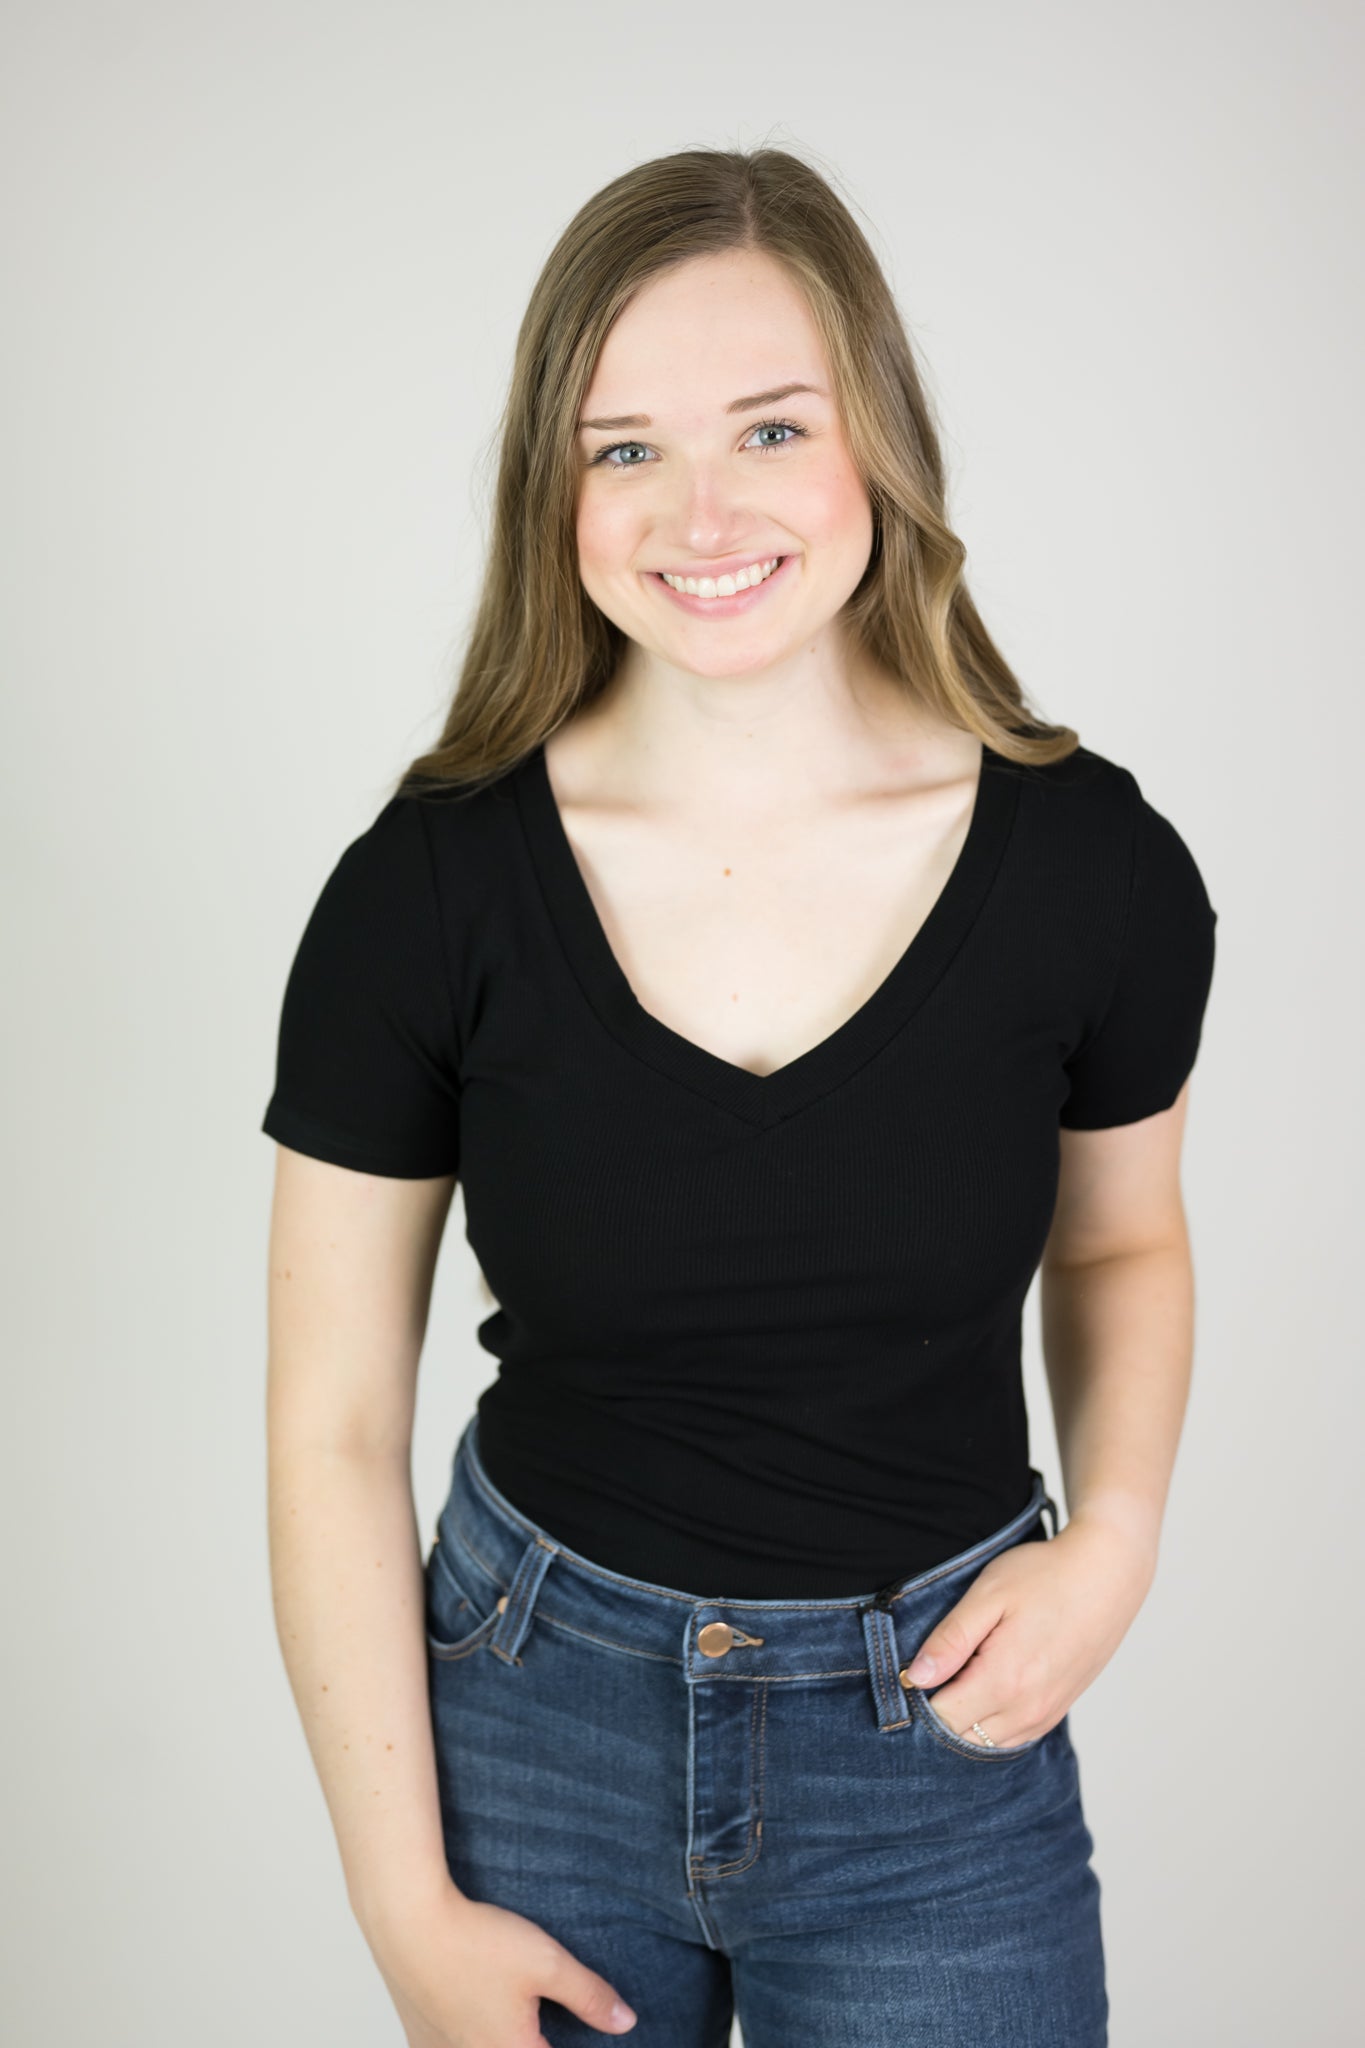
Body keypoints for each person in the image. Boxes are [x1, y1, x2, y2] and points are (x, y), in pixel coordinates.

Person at [261, 146, 1217, 2048]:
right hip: (532, 1735)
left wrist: (1108, 1542)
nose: (701, 513)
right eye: (623, 449)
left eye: (770, 428)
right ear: (554, 490)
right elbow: (332, 1422)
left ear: (878, 440)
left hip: (933, 1751)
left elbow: (1121, 1247)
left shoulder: (1090, 869)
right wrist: (402, 1906)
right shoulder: (426, 888)